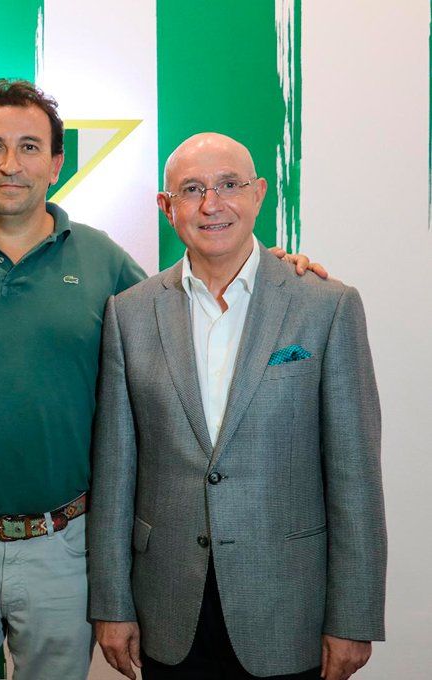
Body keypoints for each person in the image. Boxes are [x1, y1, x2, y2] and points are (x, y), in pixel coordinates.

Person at [0, 81, 325, 680]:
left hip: (64, 543)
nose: (11, 164)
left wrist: (270, 269)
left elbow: (182, 312)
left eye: (29, 147)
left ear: (56, 163)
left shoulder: (103, 261)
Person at [89, 132, 385, 680]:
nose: (212, 204)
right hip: (167, 605)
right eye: (192, 189)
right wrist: (111, 603)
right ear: (167, 207)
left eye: (229, 185)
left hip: (289, 604)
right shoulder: (128, 314)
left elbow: (355, 475)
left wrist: (354, 614)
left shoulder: (326, 305)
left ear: (259, 193)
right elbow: (115, 473)